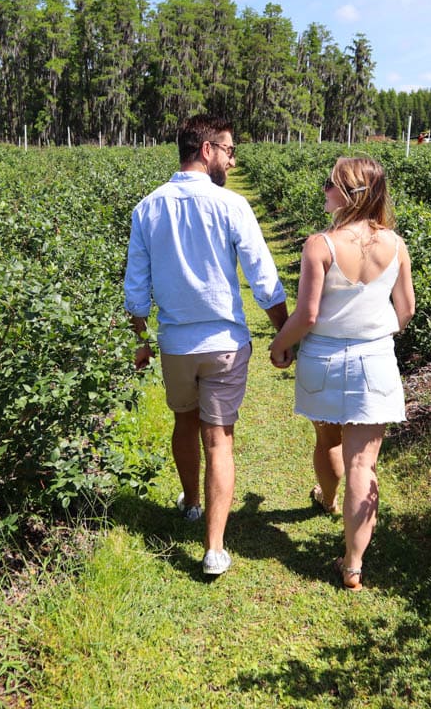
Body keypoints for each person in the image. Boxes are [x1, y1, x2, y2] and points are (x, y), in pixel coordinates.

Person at [124, 114, 290, 577]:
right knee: (219, 440)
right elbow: (263, 275)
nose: (232, 160)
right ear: (206, 151)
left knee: (184, 421)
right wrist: (283, 333)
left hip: (176, 344)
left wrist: (138, 341)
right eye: (229, 151)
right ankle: (214, 547)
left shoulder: (147, 208)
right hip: (225, 344)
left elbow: (136, 287)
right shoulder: (232, 206)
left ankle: (192, 503)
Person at [268, 156, 415, 591]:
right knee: (362, 463)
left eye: (330, 184)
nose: (324, 190)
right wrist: (374, 332)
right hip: (375, 361)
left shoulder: (320, 245)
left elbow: (308, 314)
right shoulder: (396, 245)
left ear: (349, 193)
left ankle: (326, 499)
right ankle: (352, 565)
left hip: (324, 361)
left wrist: (281, 344)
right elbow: (405, 311)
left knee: (326, 439)